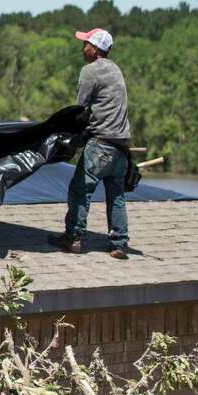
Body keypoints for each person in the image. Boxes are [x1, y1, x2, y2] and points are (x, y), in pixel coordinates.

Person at [48, 27, 133, 259]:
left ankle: (73, 238)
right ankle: (119, 244)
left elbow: (80, 110)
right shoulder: (116, 69)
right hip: (121, 147)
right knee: (116, 195)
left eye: (85, 43)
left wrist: (67, 136)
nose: (82, 47)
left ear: (95, 49)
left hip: (102, 144)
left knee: (79, 190)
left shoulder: (90, 71)